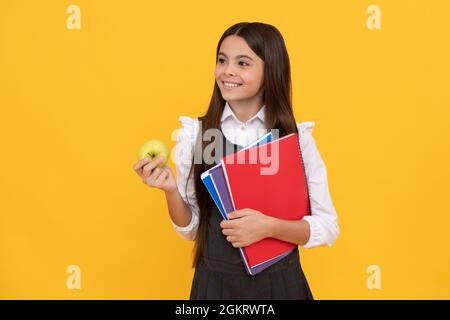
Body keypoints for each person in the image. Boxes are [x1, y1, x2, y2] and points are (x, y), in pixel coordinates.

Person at [133, 22, 340, 300]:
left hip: (281, 287)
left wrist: (269, 227)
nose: (227, 71)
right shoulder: (196, 134)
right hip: (214, 287)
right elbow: (192, 230)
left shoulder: (296, 139)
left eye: (243, 63)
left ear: (271, 71)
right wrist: (170, 190)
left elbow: (328, 227)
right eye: (222, 60)